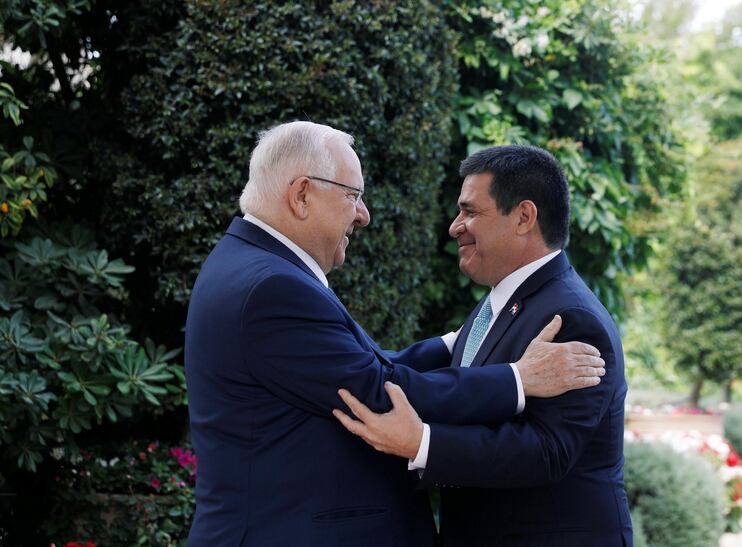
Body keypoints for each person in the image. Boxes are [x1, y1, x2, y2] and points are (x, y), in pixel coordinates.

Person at [184, 122, 606, 547]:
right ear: (302, 194)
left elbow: (361, 368)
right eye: (353, 195)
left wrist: (451, 345)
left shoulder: (251, 267)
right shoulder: (272, 287)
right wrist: (518, 379)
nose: (363, 215)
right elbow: (374, 387)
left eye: (471, 211)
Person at [335, 144, 632, 546]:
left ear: (524, 217)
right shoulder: (502, 301)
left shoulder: (571, 319)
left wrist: (420, 442)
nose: (455, 226)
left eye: (470, 212)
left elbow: (547, 451)